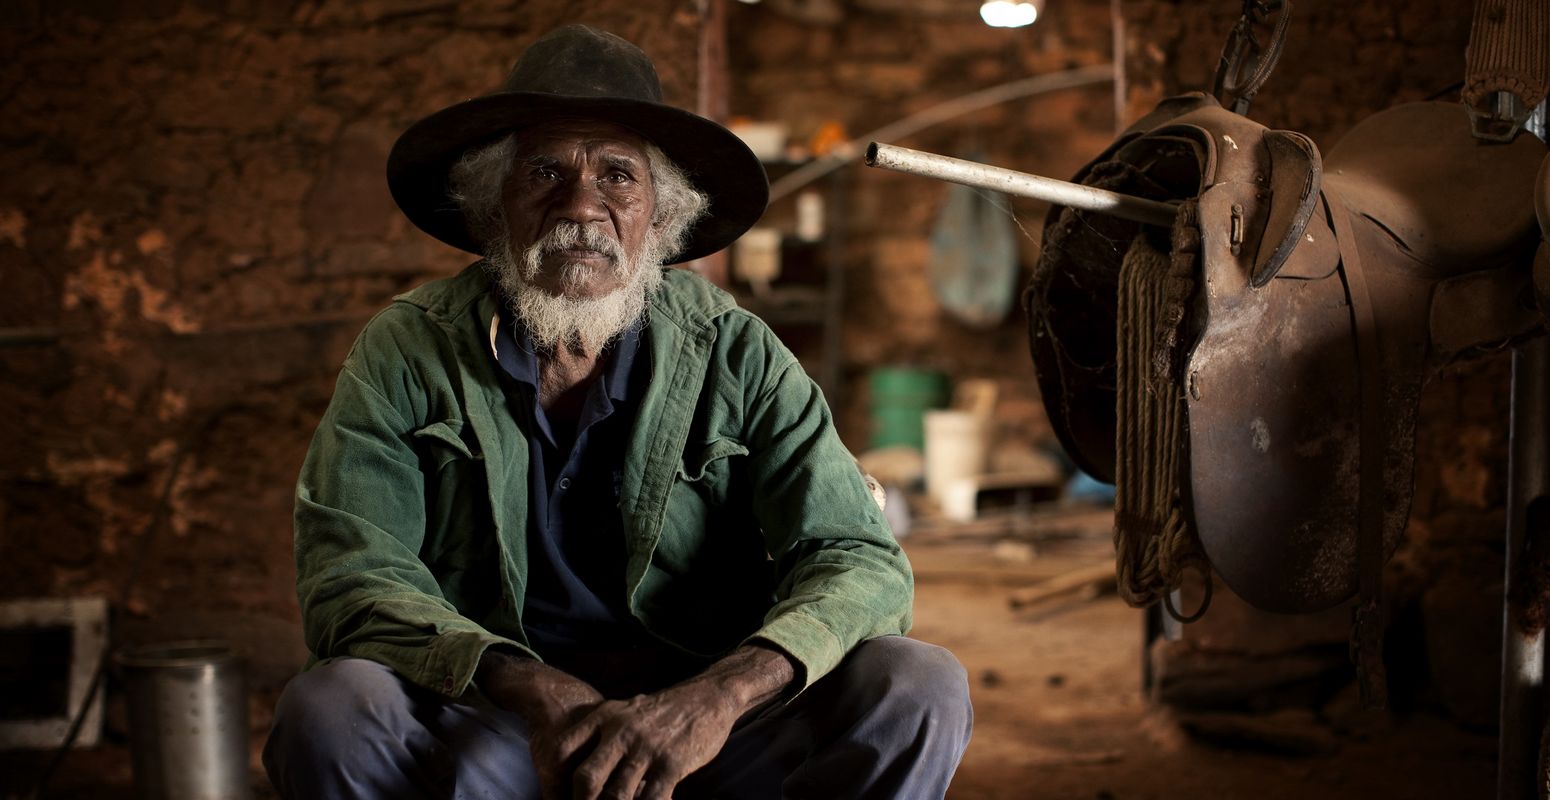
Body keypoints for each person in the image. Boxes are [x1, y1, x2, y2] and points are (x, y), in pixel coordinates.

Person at [263, 24, 972, 800]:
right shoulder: (406, 349)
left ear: (659, 217)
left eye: (618, 176)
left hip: (704, 732)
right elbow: (350, 576)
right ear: (494, 206)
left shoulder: (738, 351)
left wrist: (714, 699)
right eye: (544, 172)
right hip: (497, 724)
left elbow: (860, 559)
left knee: (918, 683)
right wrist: (531, 687)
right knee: (329, 709)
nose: (582, 207)